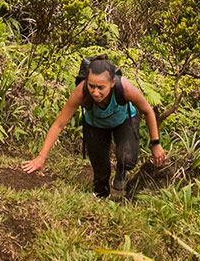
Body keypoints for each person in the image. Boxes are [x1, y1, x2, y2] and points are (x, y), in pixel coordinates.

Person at [21, 55, 166, 197]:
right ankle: (102, 197)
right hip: (96, 125)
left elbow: (148, 111)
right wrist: (41, 157)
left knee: (127, 159)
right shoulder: (81, 92)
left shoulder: (125, 88)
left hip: (124, 120)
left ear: (112, 83)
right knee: (101, 173)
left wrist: (155, 143)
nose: (95, 92)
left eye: (101, 87)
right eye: (91, 86)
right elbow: (59, 124)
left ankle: (121, 171)